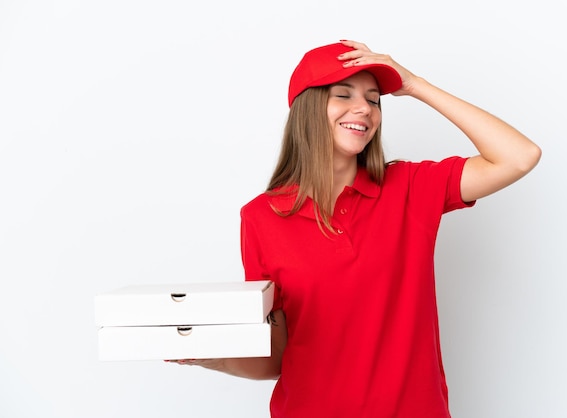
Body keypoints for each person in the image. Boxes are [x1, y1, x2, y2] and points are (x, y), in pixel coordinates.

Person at [170, 39, 541, 417]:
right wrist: (213, 358)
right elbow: (278, 355)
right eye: (343, 95)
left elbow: (519, 156)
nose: (364, 108)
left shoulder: (410, 187)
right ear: (309, 109)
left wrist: (414, 84)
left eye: (375, 99)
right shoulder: (260, 217)